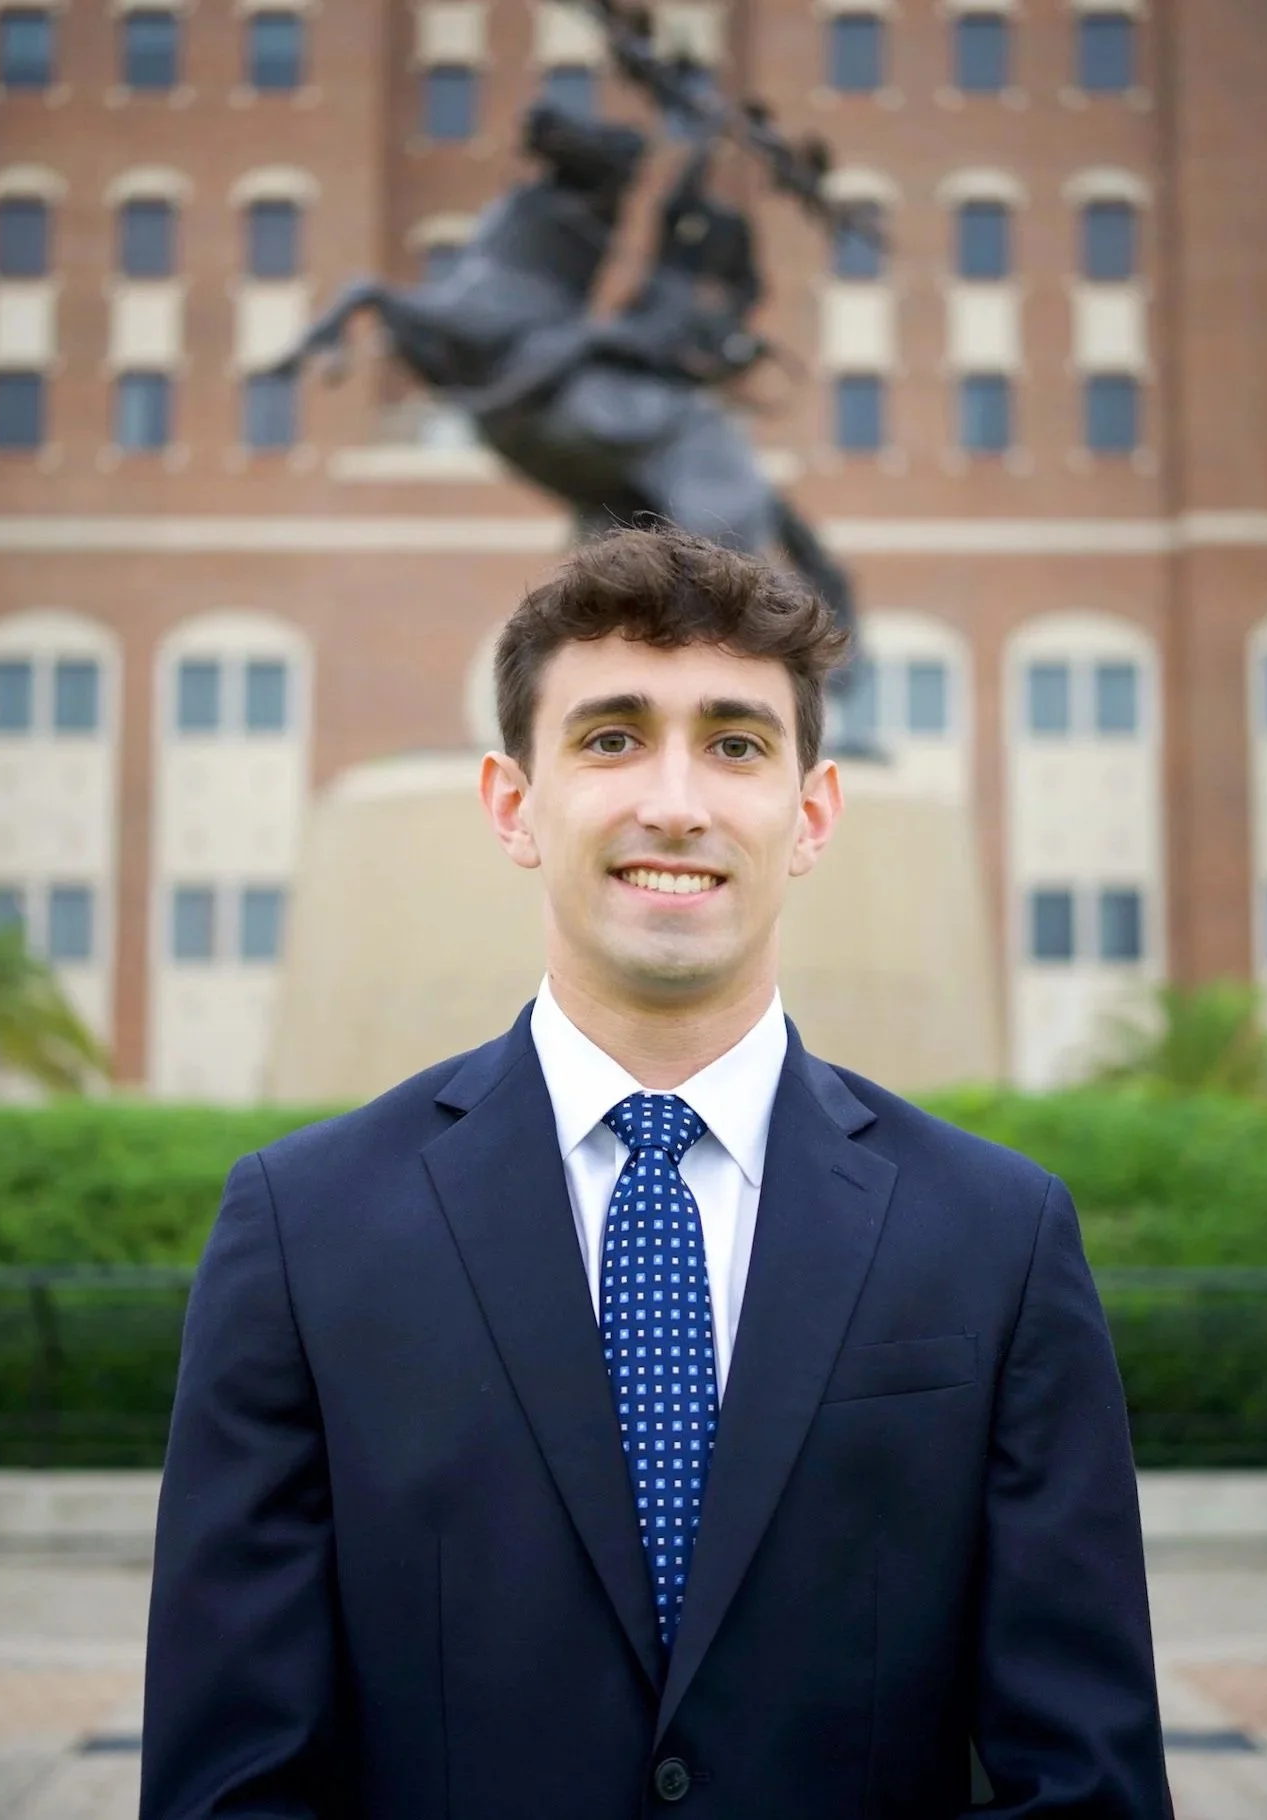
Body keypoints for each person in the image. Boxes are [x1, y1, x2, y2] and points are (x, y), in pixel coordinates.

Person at [140, 524, 1171, 1818]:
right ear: (515, 805)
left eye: (736, 743)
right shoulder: (303, 1233)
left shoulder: (997, 1237)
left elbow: (1084, 1784)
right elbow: (228, 1787)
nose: (674, 800)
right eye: (611, 737)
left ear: (812, 814)